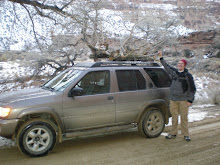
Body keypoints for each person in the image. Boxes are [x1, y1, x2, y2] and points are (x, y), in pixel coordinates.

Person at [158, 51, 196, 142]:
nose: (179, 65)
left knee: (184, 118)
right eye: (179, 63)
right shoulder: (174, 73)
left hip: (183, 100)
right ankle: (173, 133)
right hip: (173, 100)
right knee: (174, 118)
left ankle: (186, 134)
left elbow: (192, 89)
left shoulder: (188, 76)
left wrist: (190, 100)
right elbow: (167, 67)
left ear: (184, 65)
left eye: (181, 63)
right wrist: (161, 58)